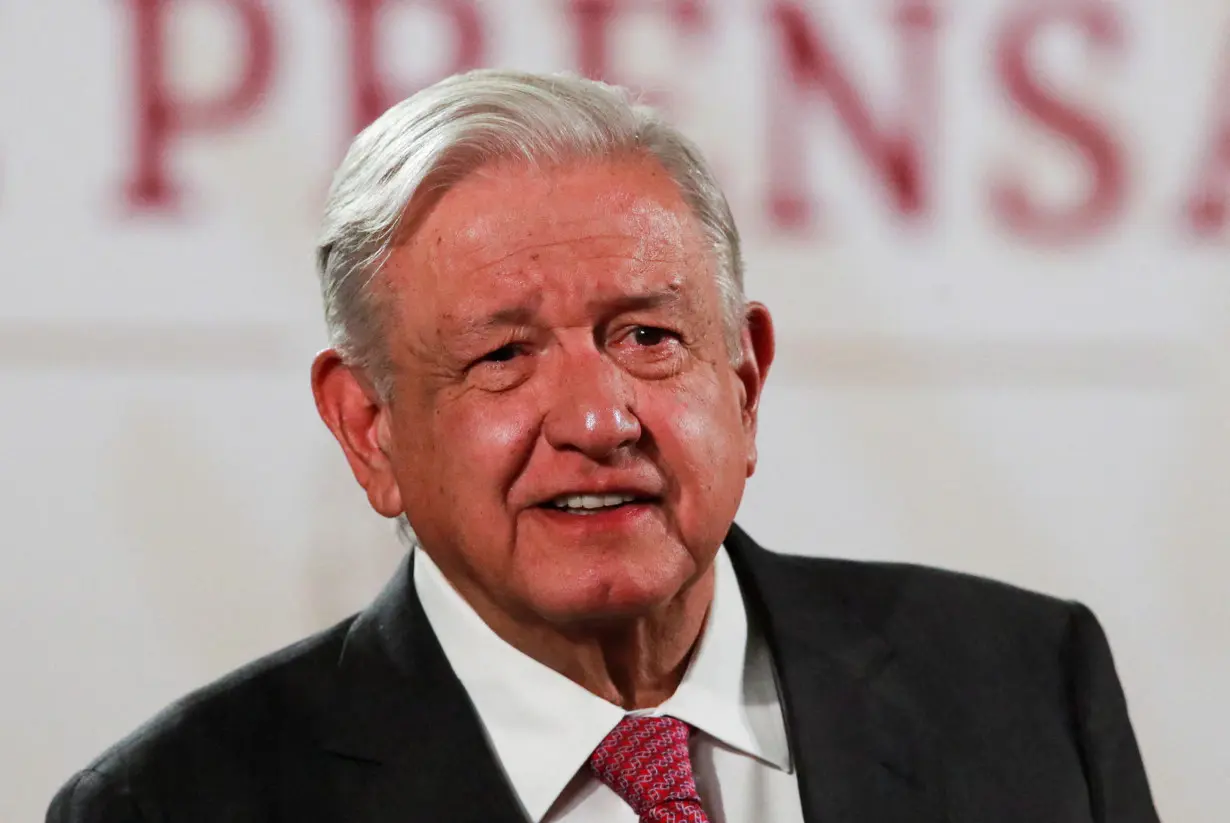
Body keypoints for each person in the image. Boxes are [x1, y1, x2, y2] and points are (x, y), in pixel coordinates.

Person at [47, 69, 1159, 823]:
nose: (595, 419)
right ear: (369, 426)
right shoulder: (181, 802)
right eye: (502, 356)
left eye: (648, 335)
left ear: (746, 378)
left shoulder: (1022, 683)